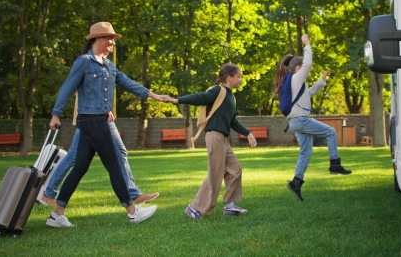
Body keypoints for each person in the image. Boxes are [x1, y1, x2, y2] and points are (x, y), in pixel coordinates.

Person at [46, 21, 164, 227]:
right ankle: (132, 211)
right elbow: (67, 88)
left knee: (80, 167)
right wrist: (56, 114)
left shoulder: (108, 64)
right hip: (91, 120)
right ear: (98, 39)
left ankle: (57, 215)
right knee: (115, 163)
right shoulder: (83, 62)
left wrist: (154, 95)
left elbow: (127, 82)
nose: (112, 43)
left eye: (113, 39)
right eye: (110, 39)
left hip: (99, 119)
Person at [164, 63, 258, 219]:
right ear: (229, 78)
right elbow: (200, 97)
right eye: (238, 76)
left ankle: (230, 206)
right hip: (214, 136)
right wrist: (176, 101)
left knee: (235, 169)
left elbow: (233, 121)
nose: (240, 80)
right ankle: (195, 208)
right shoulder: (218, 91)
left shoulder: (231, 97)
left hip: (223, 139)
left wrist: (248, 133)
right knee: (215, 174)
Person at [272, 34, 352, 202]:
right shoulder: (297, 76)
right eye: (304, 67)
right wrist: (307, 44)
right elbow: (308, 63)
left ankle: (296, 182)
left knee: (306, 152)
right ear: (299, 67)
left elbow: (309, 94)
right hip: (300, 120)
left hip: (295, 122)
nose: (307, 69)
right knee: (330, 132)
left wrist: (322, 79)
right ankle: (335, 164)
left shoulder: (295, 82)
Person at [39, 124, 159, 207]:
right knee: (73, 157)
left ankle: (133, 193)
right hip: (91, 118)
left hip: (103, 117)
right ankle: (49, 193)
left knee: (120, 153)